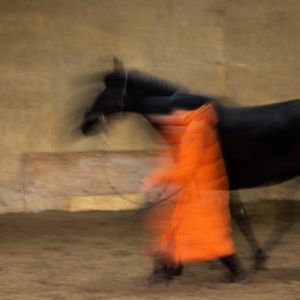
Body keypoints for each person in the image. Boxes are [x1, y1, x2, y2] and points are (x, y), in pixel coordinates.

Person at [143, 104, 249, 284]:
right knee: (181, 233)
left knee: (208, 238)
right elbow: (178, 120)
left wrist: (156, 179)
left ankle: (238, 273)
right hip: (200, 192)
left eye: (177, 110)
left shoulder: (195, 130)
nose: (175, 112)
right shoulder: (196, 123)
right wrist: (157, 118)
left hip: (200, 195)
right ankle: (165, 272)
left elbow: (186, 169)